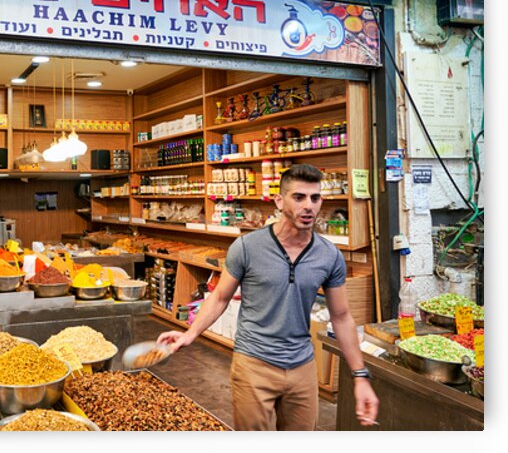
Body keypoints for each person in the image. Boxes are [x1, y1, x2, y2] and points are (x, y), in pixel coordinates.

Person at [157, 163, 379, 430]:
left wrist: (360, 376)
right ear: (279, 200)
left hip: (302, 366)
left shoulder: (329, 255)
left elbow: (341, 316)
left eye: (315, 197)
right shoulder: (247, 247)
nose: (308, 206)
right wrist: (189, 334)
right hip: (253, 364)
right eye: (298, 197)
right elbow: (219, 298)